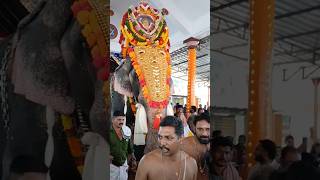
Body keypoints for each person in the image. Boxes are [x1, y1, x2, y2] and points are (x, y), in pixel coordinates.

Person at [135, 116, 198, 180]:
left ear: (181, 138)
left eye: (168, 138)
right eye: (160, 137)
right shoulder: (147, 162)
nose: (162, 143)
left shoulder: (191, 164)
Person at [181, 114, 211, 180]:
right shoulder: (183, 145)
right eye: (200, 129)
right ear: (194, 128)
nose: (204, 134)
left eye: (208, 129)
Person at [110, 111, 136, 180]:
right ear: (112, 120)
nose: (121, 121)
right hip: (110, 166)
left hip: (123, 166)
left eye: (123, 120)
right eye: (119, 119)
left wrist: (128, 162)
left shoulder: (126, 131)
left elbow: (130, 149)